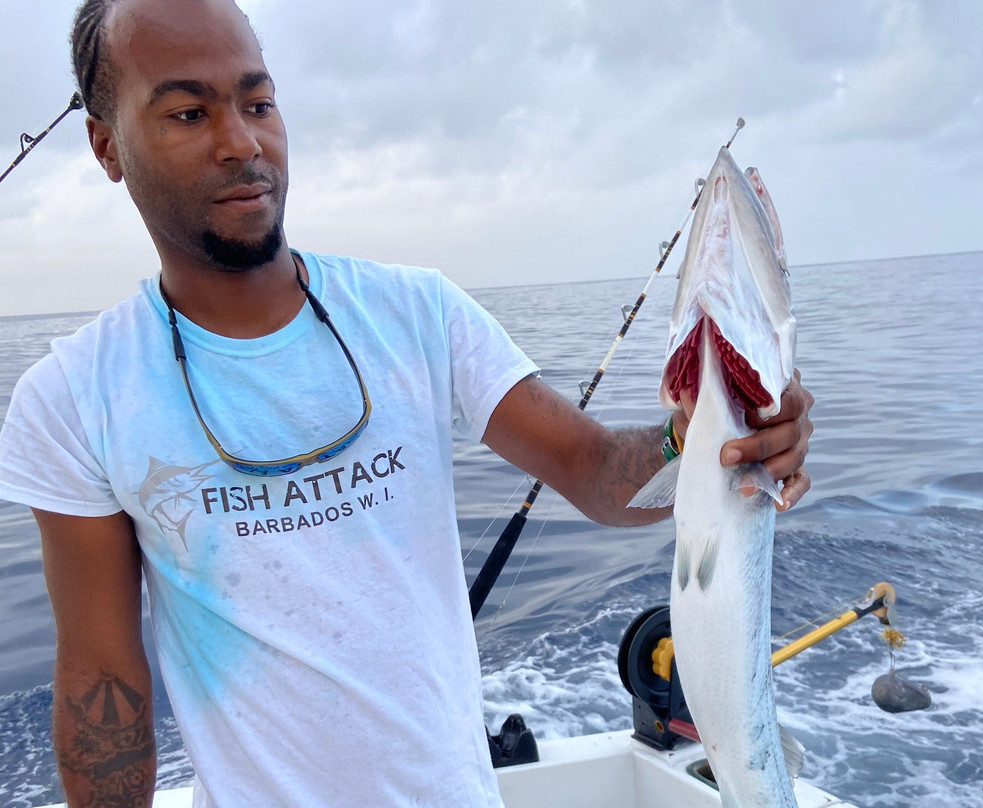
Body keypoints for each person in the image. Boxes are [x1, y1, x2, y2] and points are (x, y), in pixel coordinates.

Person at [0, 0, 814, 805]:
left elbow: (597, 473)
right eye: (188, 111)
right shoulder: (72, 399)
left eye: (259, 103)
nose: (242, 142)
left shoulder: (419, 314)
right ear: (107, 145)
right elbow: (103, 680)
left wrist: (705, 444)